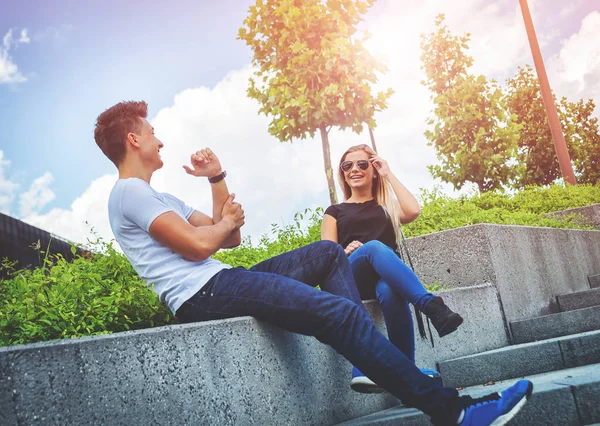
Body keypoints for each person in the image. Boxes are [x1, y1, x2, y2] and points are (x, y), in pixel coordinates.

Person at [94, 100, 532, 426]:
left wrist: (217, 178)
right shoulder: (129, 192)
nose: (160, 139)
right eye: (152, 132)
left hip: (222, 278)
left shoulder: (160, 196)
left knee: (326, 253)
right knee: (339, 312)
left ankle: (365, 364)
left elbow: (229, 238)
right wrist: (223, 223)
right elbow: (198, 245)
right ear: (133, 140)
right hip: (203, 294)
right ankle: (451, 411)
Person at [322, 144, 464, 393]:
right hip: (350, 275)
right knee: (374, 247)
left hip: (382, 279)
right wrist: (344, 253)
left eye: (362, 164)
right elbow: (324, 258)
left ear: (373, 169)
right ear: (343, 173)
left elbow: (413, 210)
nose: (354, 169)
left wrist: (387, 172)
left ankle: (405, 371)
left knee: (390, 289)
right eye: (347, 166)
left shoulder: (384, 207)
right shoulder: (335, 211)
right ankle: (430, 306)